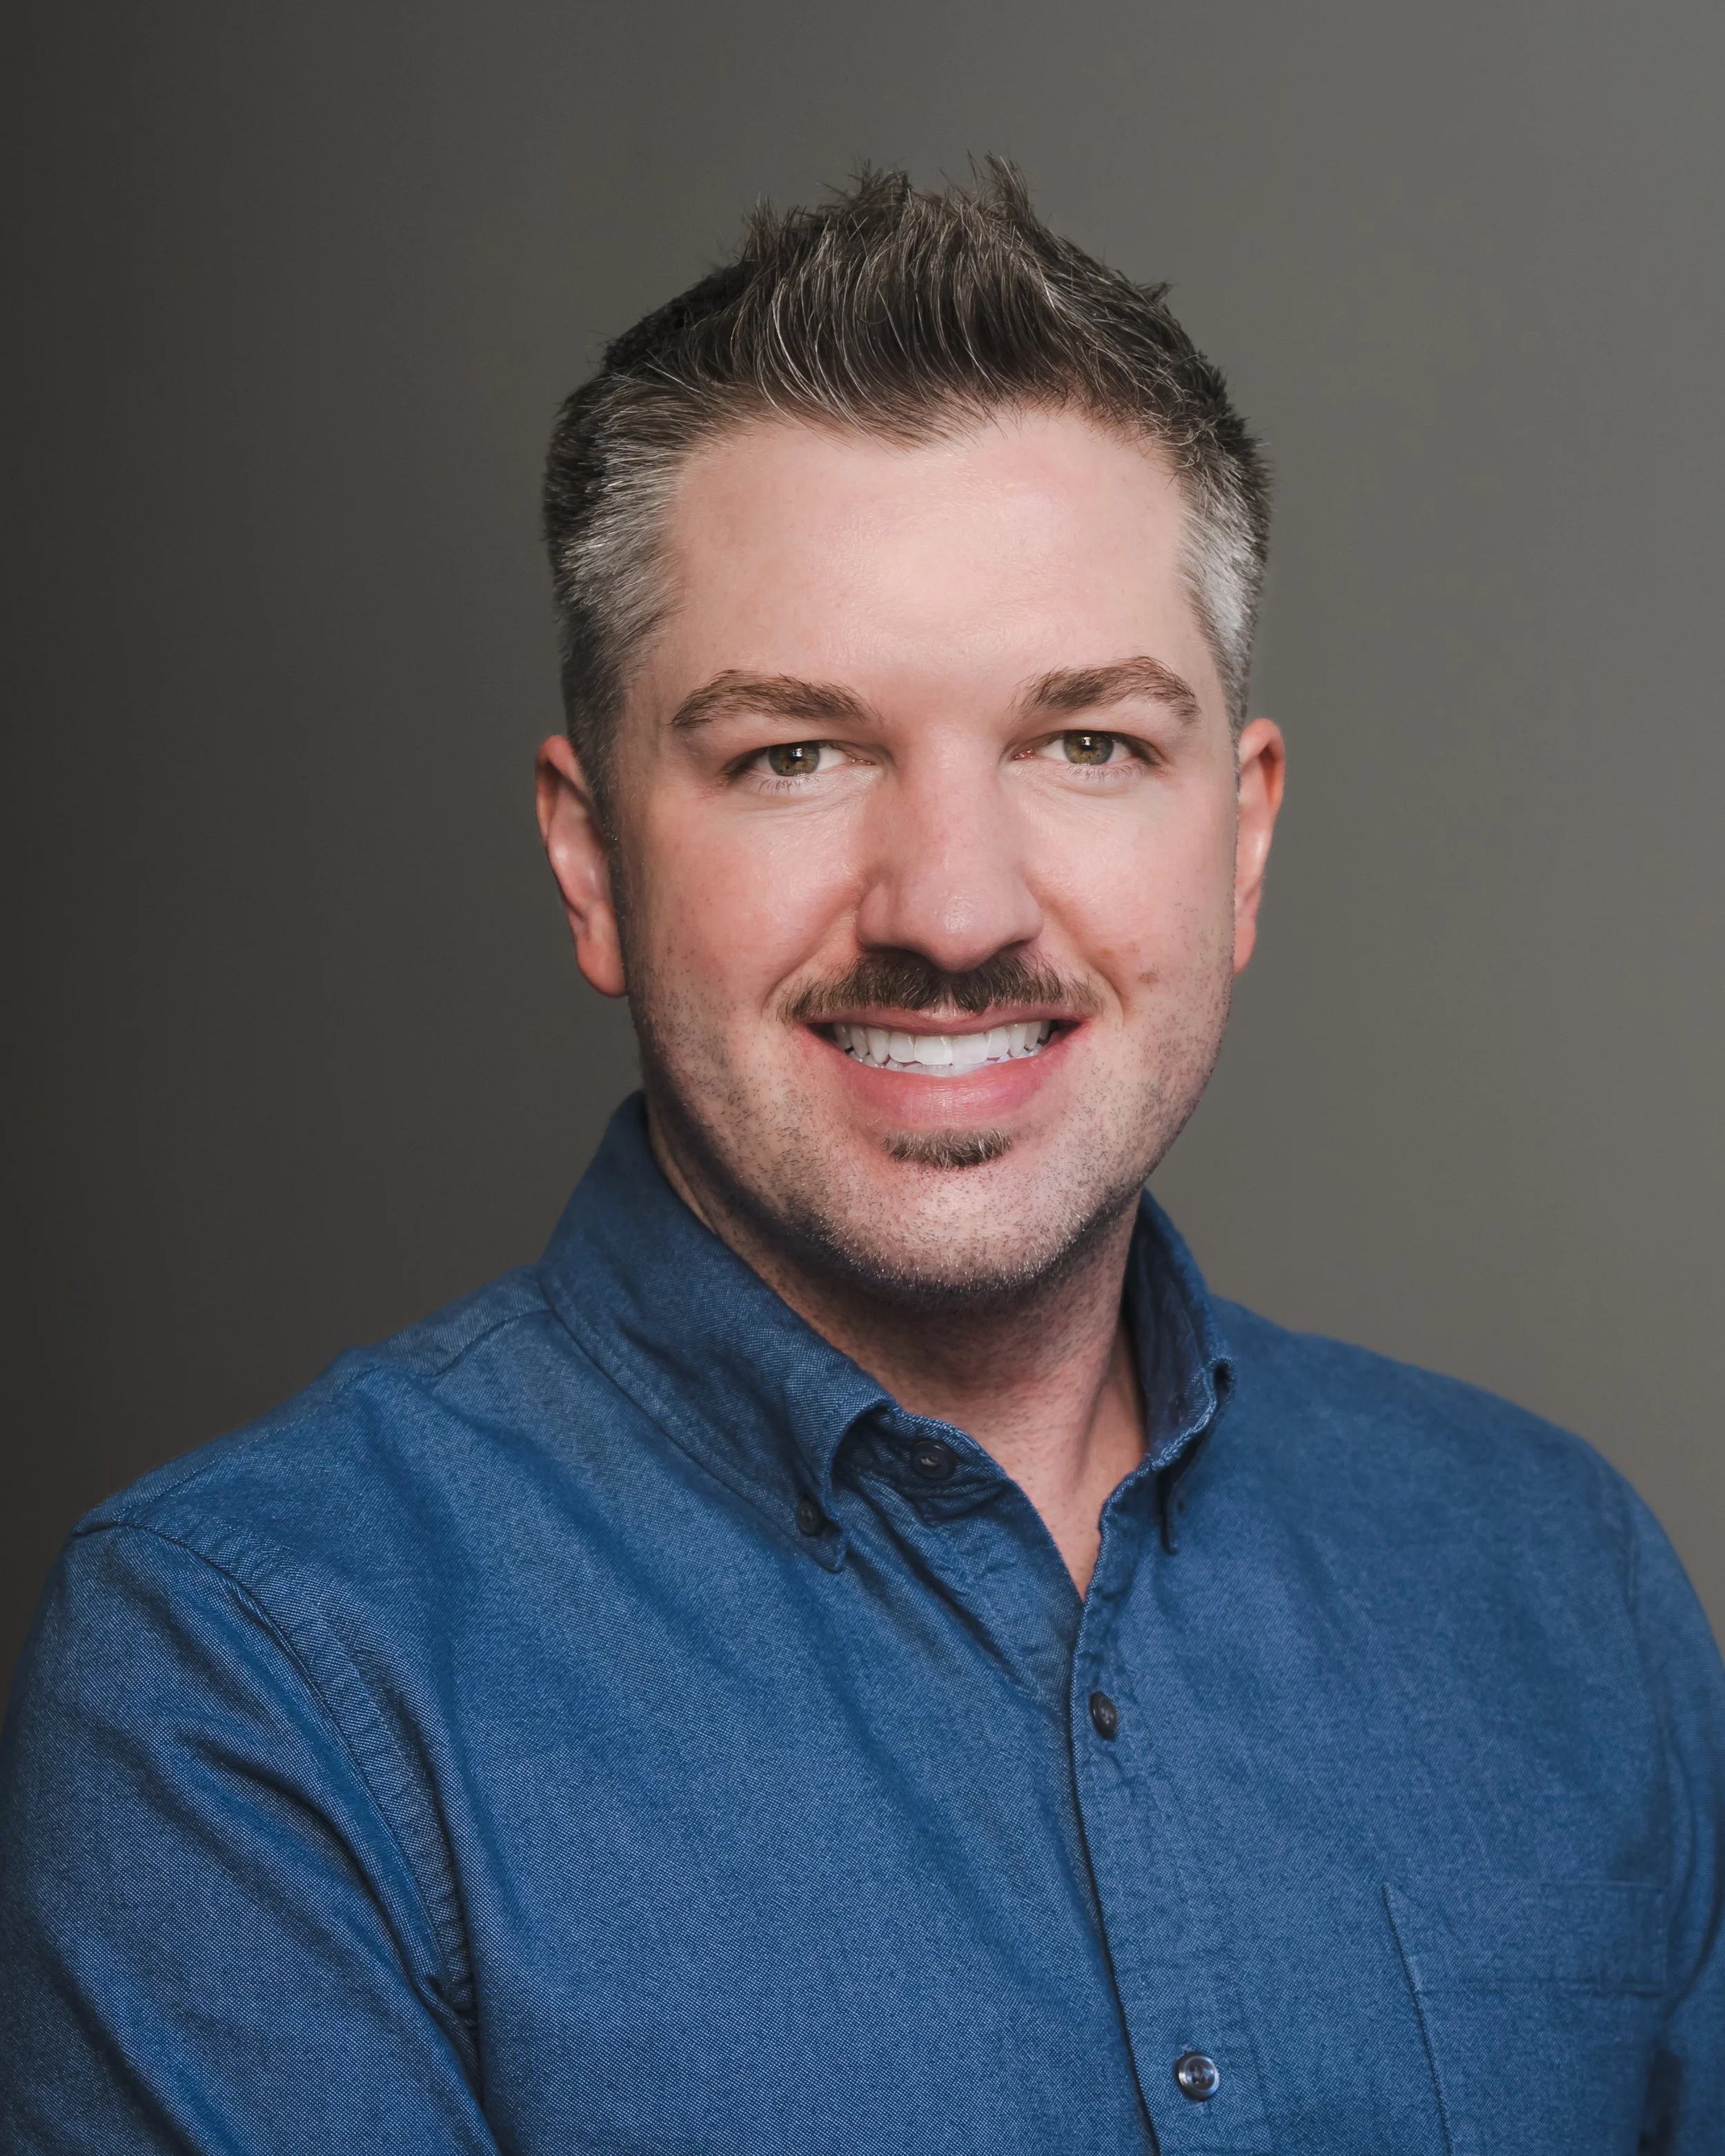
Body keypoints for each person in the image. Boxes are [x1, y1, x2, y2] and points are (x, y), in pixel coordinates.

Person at [1, 164, 1719, 2155]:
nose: (958, 906)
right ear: (590, 861)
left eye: (1085, 741)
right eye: (793, 752)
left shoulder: (1549, 1578)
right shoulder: (259, 1679)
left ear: (1236, 839)